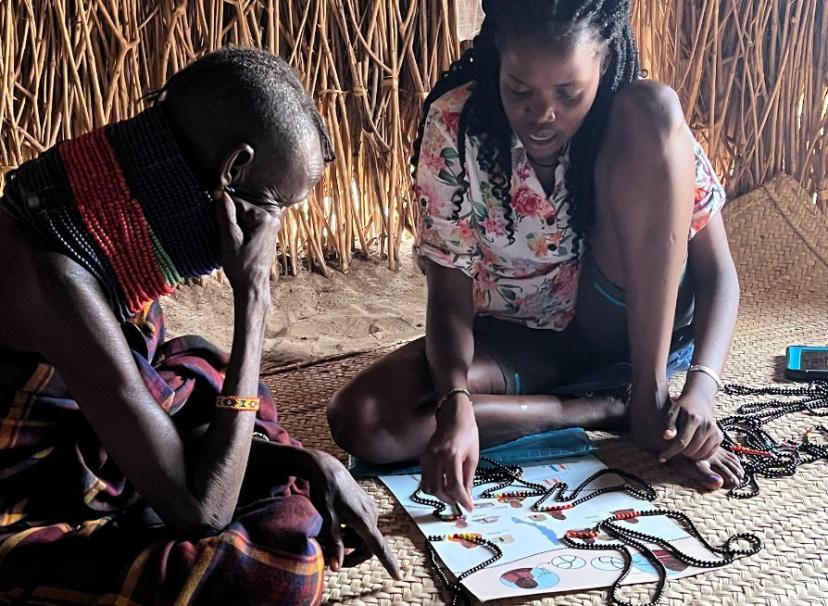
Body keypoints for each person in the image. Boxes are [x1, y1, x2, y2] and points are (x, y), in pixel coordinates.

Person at [0, 48, 399, 604]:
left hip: (105, 422)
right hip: (21, 493)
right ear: (231, 172)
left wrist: (308, 460)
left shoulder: (81, 211)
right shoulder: (59, 274)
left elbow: (146, 376)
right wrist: (253, 298)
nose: (270, 232)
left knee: (215, 378)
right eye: (269, 207)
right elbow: (203, 513)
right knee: (279, 568)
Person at [327, 0, 745, 512]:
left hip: (624, 323)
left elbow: (717, 274)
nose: (543, 114)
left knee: (654, 106)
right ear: (497, 59)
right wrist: (455, 403)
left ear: (606, 63)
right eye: (519, 90)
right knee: (364, 417)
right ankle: (600, 407)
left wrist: (701, 387)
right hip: (521, 339)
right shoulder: (457, 124)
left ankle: (648, 394)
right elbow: (449, 292)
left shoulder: (637, 123)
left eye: (569, 93)